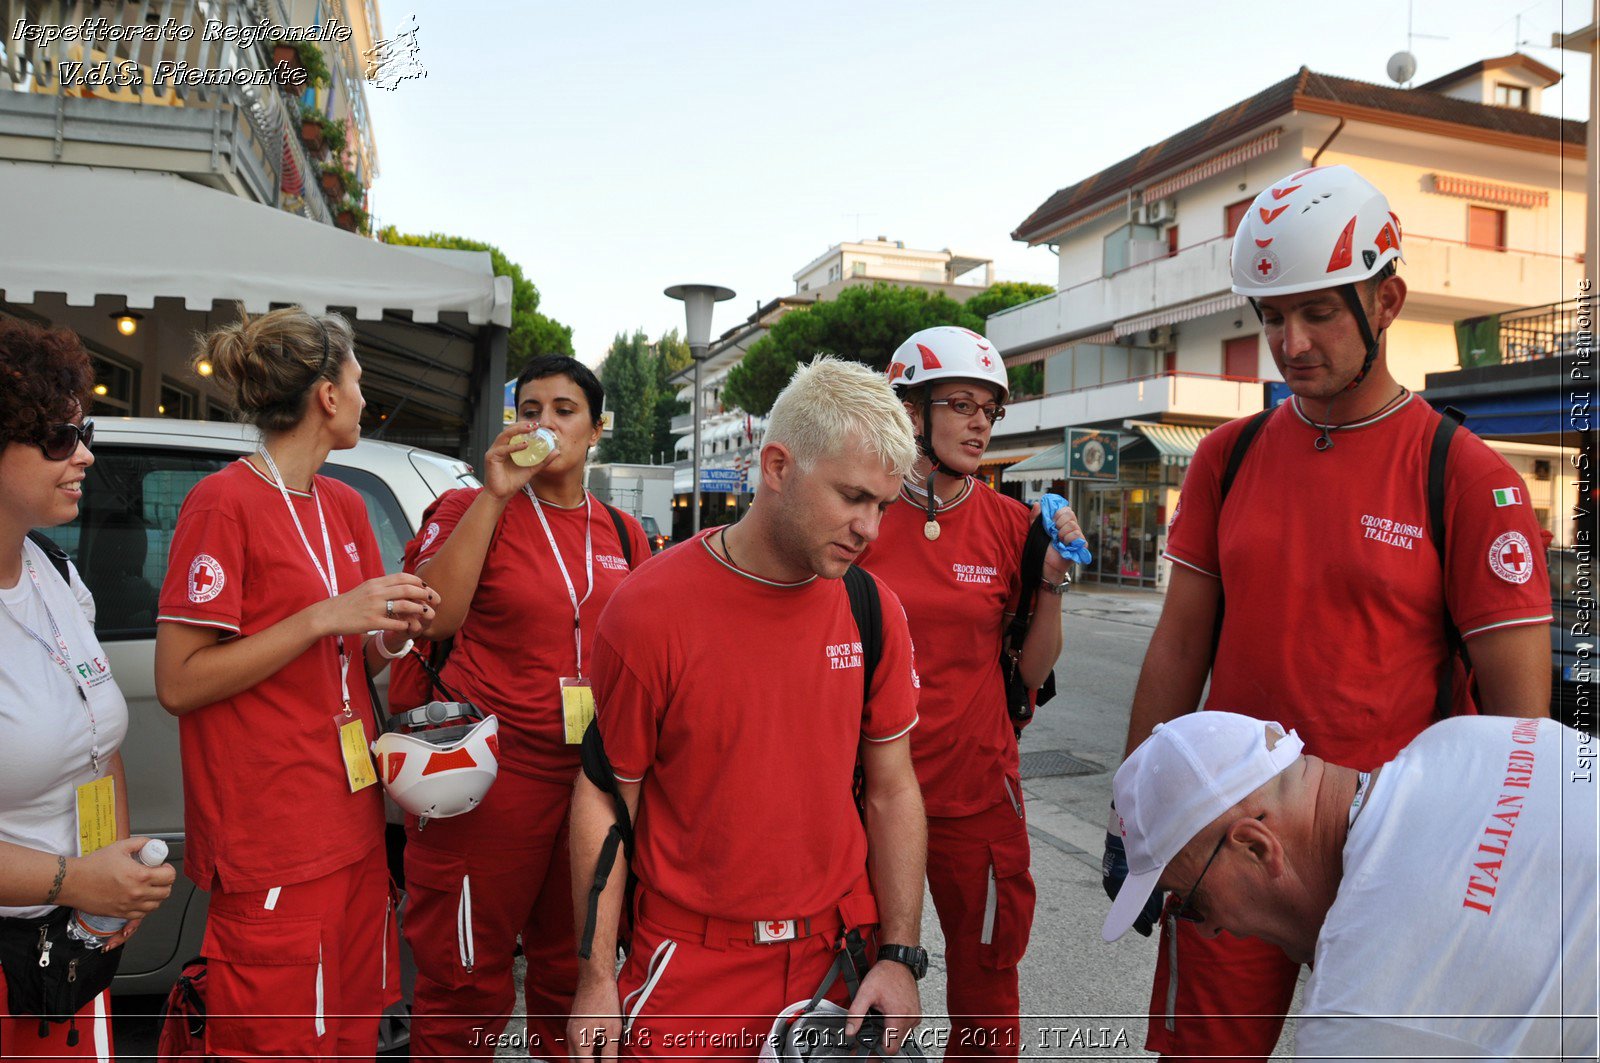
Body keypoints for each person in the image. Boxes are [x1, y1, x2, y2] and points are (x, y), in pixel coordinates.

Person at [1109, 164, 1556, 1060]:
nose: (1290, 341)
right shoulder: (1225, 460)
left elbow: (1522, 735)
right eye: (1271, 316)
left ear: (1386, 301)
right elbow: (1179, 646)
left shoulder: (1468, 478)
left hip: (1401, 860)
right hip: (1234, 846)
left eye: (1317, 312)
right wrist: (1137, 815)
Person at [567, 357, 927, 1061]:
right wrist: (596, 978)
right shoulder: (648, 610)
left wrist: (900, 953)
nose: (869, 528)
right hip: (692, 968)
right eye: (852, 496)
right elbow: (605, 799)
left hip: (838, 961)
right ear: (777, 465)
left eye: (882, 504)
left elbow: (893, 788)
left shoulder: (871, 608)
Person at [154, 307, 437, 1061]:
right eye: (357, 377)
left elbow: (343, 654)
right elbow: (179, 681)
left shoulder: (342, 502)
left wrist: (385, 634)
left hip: (352, 829)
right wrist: (323, 617)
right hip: (271, 840)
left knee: (346, 1041)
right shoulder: (222, 502)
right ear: (326, 395)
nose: (364, 392)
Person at [404, 355, 651, 1059]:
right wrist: (493, 494)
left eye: (563, 409)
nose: (543, 423)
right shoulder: (469, 507)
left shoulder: (623, 533)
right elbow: (433, 617)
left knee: (570, 973)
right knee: (463, 983)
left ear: (596, 430)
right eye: (530, 408)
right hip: (487, 775)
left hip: (587, 786)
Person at [1104, 710, 1597, 1060]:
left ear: (1256, 846)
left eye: (1192, 903)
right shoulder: (1462, 740)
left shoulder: (1359, 1012)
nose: (1207, 931)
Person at [857, 325, 1078, 1058]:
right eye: (960, 403)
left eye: (990, 408)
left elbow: (1035, 670)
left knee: (988, 983)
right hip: (861, 796)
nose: (981, 421)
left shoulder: (1015, 527)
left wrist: (1050, 581)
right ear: (909, 410)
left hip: (976, 794)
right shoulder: (859, 513)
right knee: (851, 986)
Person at [0, 317, 176, 1059]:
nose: (85, 455)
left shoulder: (57, 574)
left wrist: (113, 881)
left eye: (85, 429)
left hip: (62, 951)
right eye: (58, 438)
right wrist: (78, 878)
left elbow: (96, 749)